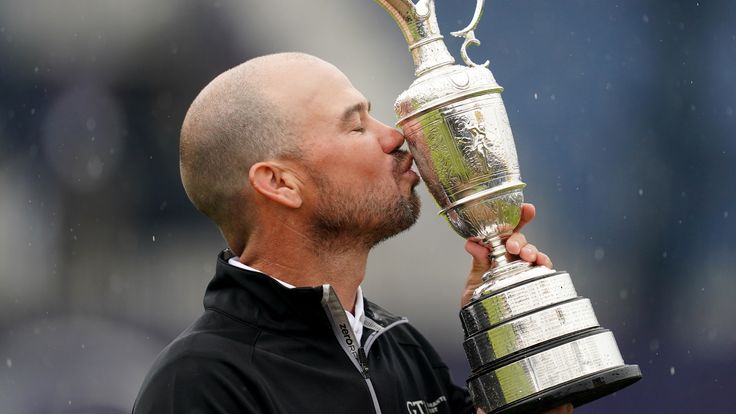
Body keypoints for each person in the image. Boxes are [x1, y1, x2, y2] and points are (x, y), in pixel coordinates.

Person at [133, 53, 571, 414]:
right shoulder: (200, 383)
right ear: (280, 183)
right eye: (357, 126)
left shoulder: (400, 345)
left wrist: (504, 332)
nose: (394, 137)